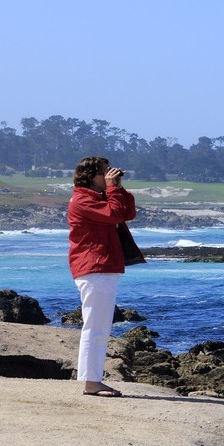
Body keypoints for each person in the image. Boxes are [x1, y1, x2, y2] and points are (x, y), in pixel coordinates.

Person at [67, 155, 137, 397]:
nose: (110, 175)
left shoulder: (97, 197)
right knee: (96, 328)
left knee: (100, 327)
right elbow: (115, 215)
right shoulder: (82, 201)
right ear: (91, 176)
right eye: (105, 172)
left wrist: (116, 187)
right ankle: (91, 383)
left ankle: (92, 381)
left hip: (101, 267)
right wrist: (113, 189)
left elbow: (127, 212)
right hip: (94, 268)